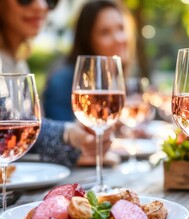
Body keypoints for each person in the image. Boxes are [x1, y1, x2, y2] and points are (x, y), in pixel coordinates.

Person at [0, 0, 111, 167]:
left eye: (50, 0)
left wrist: (70, 150)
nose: (41, 6)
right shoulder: (62, 76)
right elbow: (8, 121)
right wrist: (68, 134)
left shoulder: (18, 61)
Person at [43, 0, 133, 121]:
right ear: (87, 39)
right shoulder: (62, 81)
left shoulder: (116, 78)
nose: (119, 39)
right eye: (105, 32)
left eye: (121, 28)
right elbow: (62, 133)